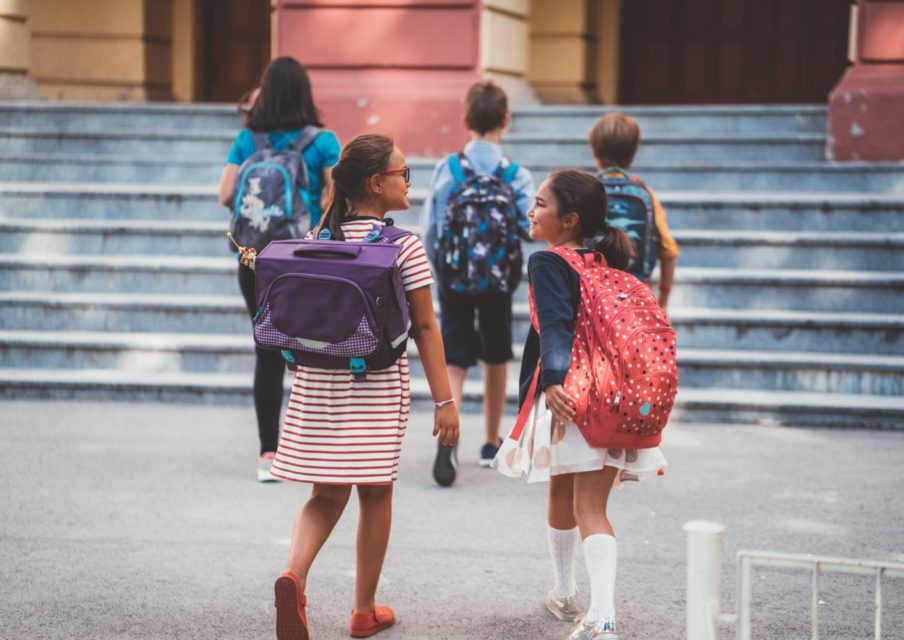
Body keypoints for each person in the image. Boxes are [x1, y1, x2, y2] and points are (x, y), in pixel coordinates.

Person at [268, 133, 460, 640]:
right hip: (375, 384)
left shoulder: (317, 237)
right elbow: (425, 328)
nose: (409, 180)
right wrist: (445, 400)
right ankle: (362, 610)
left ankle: (294, 575)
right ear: (377, 184)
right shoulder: (404, 247)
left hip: (317, 382)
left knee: (325, 494)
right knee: (375, 493)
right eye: (403, 173)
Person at [493, 170, 668, 640]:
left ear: (568, 220)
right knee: (568, 494)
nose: (530, 212)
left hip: (571, 396)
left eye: (540, 204)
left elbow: (554, 325)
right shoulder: (606, 261)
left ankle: (602, 615)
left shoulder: (549, 263)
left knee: (586, 506)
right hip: (615, 394)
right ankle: (565, 595)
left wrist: (551, 381)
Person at [218, 56, 341, 482]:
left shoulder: (247, 139)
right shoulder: (323, 141)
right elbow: (337, 198)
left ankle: (269, 454)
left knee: (266, 351)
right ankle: (312, 449)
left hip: (253, 259)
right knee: (318, 350)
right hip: (304, 258)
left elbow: (225, 195)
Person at [422, 80, 535, 485]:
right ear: (505, 120)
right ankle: (490, 442)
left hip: (454, 278)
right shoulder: (515, 175)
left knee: (455, 357)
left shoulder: (447, 169)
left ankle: (448, 436)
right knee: (495, 356)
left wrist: (441, 271)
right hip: (498, 282)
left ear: (465, 119)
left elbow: (432, 229)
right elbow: (529, 225)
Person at [588, 113, 680, 309]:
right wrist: (662, 302)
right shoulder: (646, 195)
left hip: (592, 298)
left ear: (594, 150)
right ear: (633, 153)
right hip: (636, 299)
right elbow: (669, 252)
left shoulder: (584, 192)